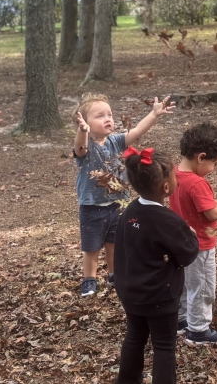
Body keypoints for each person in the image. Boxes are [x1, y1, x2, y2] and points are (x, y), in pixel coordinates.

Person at [73, 93, 174, 297]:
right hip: (92, 207)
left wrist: (154, 114)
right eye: (100, 116)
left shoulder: (115, 142)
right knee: (92, 247)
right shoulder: (87, 147)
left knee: (114, 243)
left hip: (117, 204)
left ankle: (115, 274)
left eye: (109, 114)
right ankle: (89, 280)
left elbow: (136, 132)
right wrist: (82, 131)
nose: (107, 119)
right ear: (86, 123)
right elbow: (79, 148)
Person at [114, 146, 200, 384]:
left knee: (134, 337)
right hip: (160, 297)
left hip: (131, 293)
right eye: (174, 175)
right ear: (166, 187)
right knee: (163, 345)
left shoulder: (130, 212)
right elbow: (188, 254)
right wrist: (191, 235)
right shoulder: (168, 220)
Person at [169, 122, 217, 345]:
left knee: (183, 283)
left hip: (180, 243)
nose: (213, 169)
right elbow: (211, 213)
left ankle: (180, 321)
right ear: (201, 157)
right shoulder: (197, 183)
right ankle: (198, 330)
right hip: (201, 245)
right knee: (202, 286)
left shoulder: (174, 174)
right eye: (214, 163)